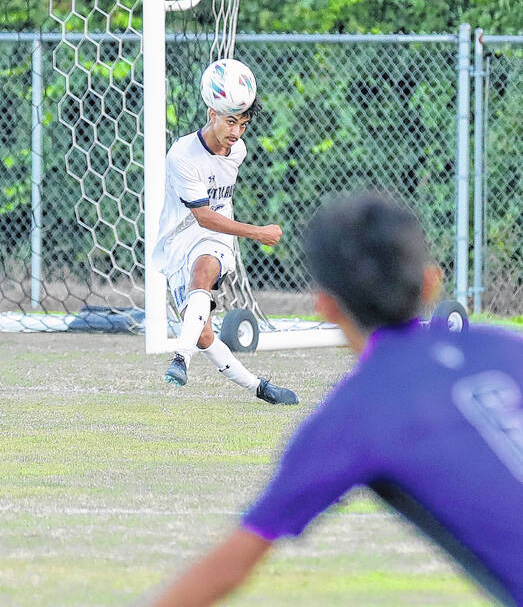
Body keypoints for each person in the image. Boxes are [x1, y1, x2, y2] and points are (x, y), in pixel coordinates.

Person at [147, 194, 523, 607]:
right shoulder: (507, 347)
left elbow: (226, 570)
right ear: (432, 282)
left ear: (324, 306)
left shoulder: (355, 415)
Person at [152, 60, 298, 406]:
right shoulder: (182, 155)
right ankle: (260, 388)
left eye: (243, 124)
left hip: (216, 239)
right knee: (202, 334)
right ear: (211, 113)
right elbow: (202, 215)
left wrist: (238, 235)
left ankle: (179, 359)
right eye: (230, 121)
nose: (236, 132)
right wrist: (257, 233)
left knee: (204, 271)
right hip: (178, 240)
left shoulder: (239, 151)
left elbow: (213, 219)